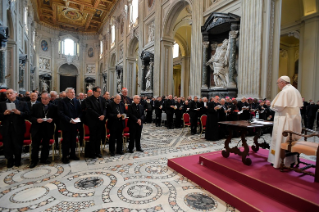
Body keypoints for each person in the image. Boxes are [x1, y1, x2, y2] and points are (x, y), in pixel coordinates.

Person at [268, 76, 303, 168]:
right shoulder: (295, 90)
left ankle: (279, 161)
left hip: (285, 120)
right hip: (294, 121)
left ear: (282, 83)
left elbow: (278, 107)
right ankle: (291, 161)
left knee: (281, 139)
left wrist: (271, 107)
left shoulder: (285, 91)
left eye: (278, 83)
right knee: (291, 140)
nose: (278, 85)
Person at [0, 89, 29, 168]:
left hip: (18, 127)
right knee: (8, 146)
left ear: (16, 94)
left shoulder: (23, 103)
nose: (9, 95)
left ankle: (17, 160)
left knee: (18, 145)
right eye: (7, 93)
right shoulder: (2, 104)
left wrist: (20, 113)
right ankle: (10, 161)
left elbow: (27, 114)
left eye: (11, 93)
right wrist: (4, 114)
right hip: (6, 128)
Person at [29, 92, 57, 168]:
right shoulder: (35, 106)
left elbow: (57, 117)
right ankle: (34, 161)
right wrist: (36, 120)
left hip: (47, 128)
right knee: (35, 146)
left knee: (46, 145)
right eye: (42, 98)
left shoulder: (53, 107)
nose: (43, 100)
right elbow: (30, 117)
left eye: (45, 99)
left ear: (49, 99)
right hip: (37, 128)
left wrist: (52, 119)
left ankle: (44, 159)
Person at [58, 87, 82, 164]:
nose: (73, 93)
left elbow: (80, 111)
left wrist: (78, 118)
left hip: (75, 124)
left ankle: (72, 154)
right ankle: (65, 156)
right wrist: (69, 120)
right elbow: (61, 113)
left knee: (73, 140)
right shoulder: (62, 102)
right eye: (71, 92)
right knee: (66, 141)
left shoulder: (76, 101)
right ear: (67, 93)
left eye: (74, 92)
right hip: (66, 124)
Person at [85, 86, 106, 159]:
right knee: (93, 137)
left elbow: (104, 108)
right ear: (94, 92)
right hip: (93, 121)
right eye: (98, 91)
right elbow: (90, 109)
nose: (100, 93)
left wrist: (103, 115)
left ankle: (98, 152)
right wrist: (99, 116)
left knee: (99, 137)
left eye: (100, 91)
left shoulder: (102, 99)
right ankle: (92, 153)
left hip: (100, 122)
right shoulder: (88, 99)